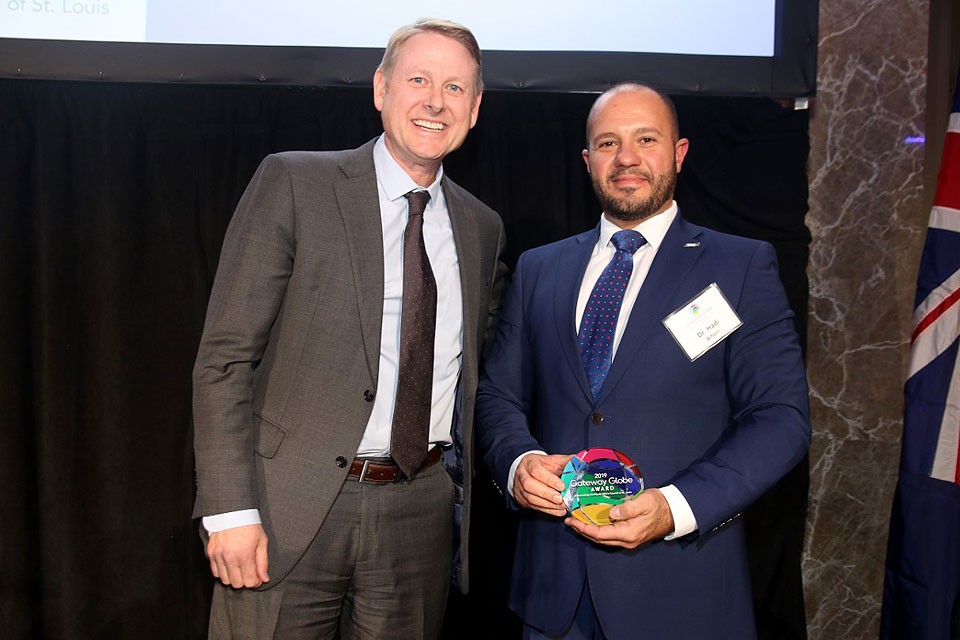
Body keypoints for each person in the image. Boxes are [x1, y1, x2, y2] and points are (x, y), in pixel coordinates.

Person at [192, 18, 506, 639]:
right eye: (418, 79)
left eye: (455, 88)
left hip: (418, 513)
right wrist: (228, 509)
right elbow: (225, 360)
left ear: (474, 110)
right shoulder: (295, 182)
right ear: (380, 88)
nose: (435, 102)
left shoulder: (481, 227)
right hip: (286, 506)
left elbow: (474, 374)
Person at [475, 83, 810, 640]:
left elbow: (781, 419)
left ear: (678, 153)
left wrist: (675, 508)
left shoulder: (739, 267)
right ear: (587, 162)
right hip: (555, 596)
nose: (626, 157)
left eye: (645, 139)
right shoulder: (540, 269)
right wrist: (517, 464)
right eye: (608, 143)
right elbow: (499, 396)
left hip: (683, 593)